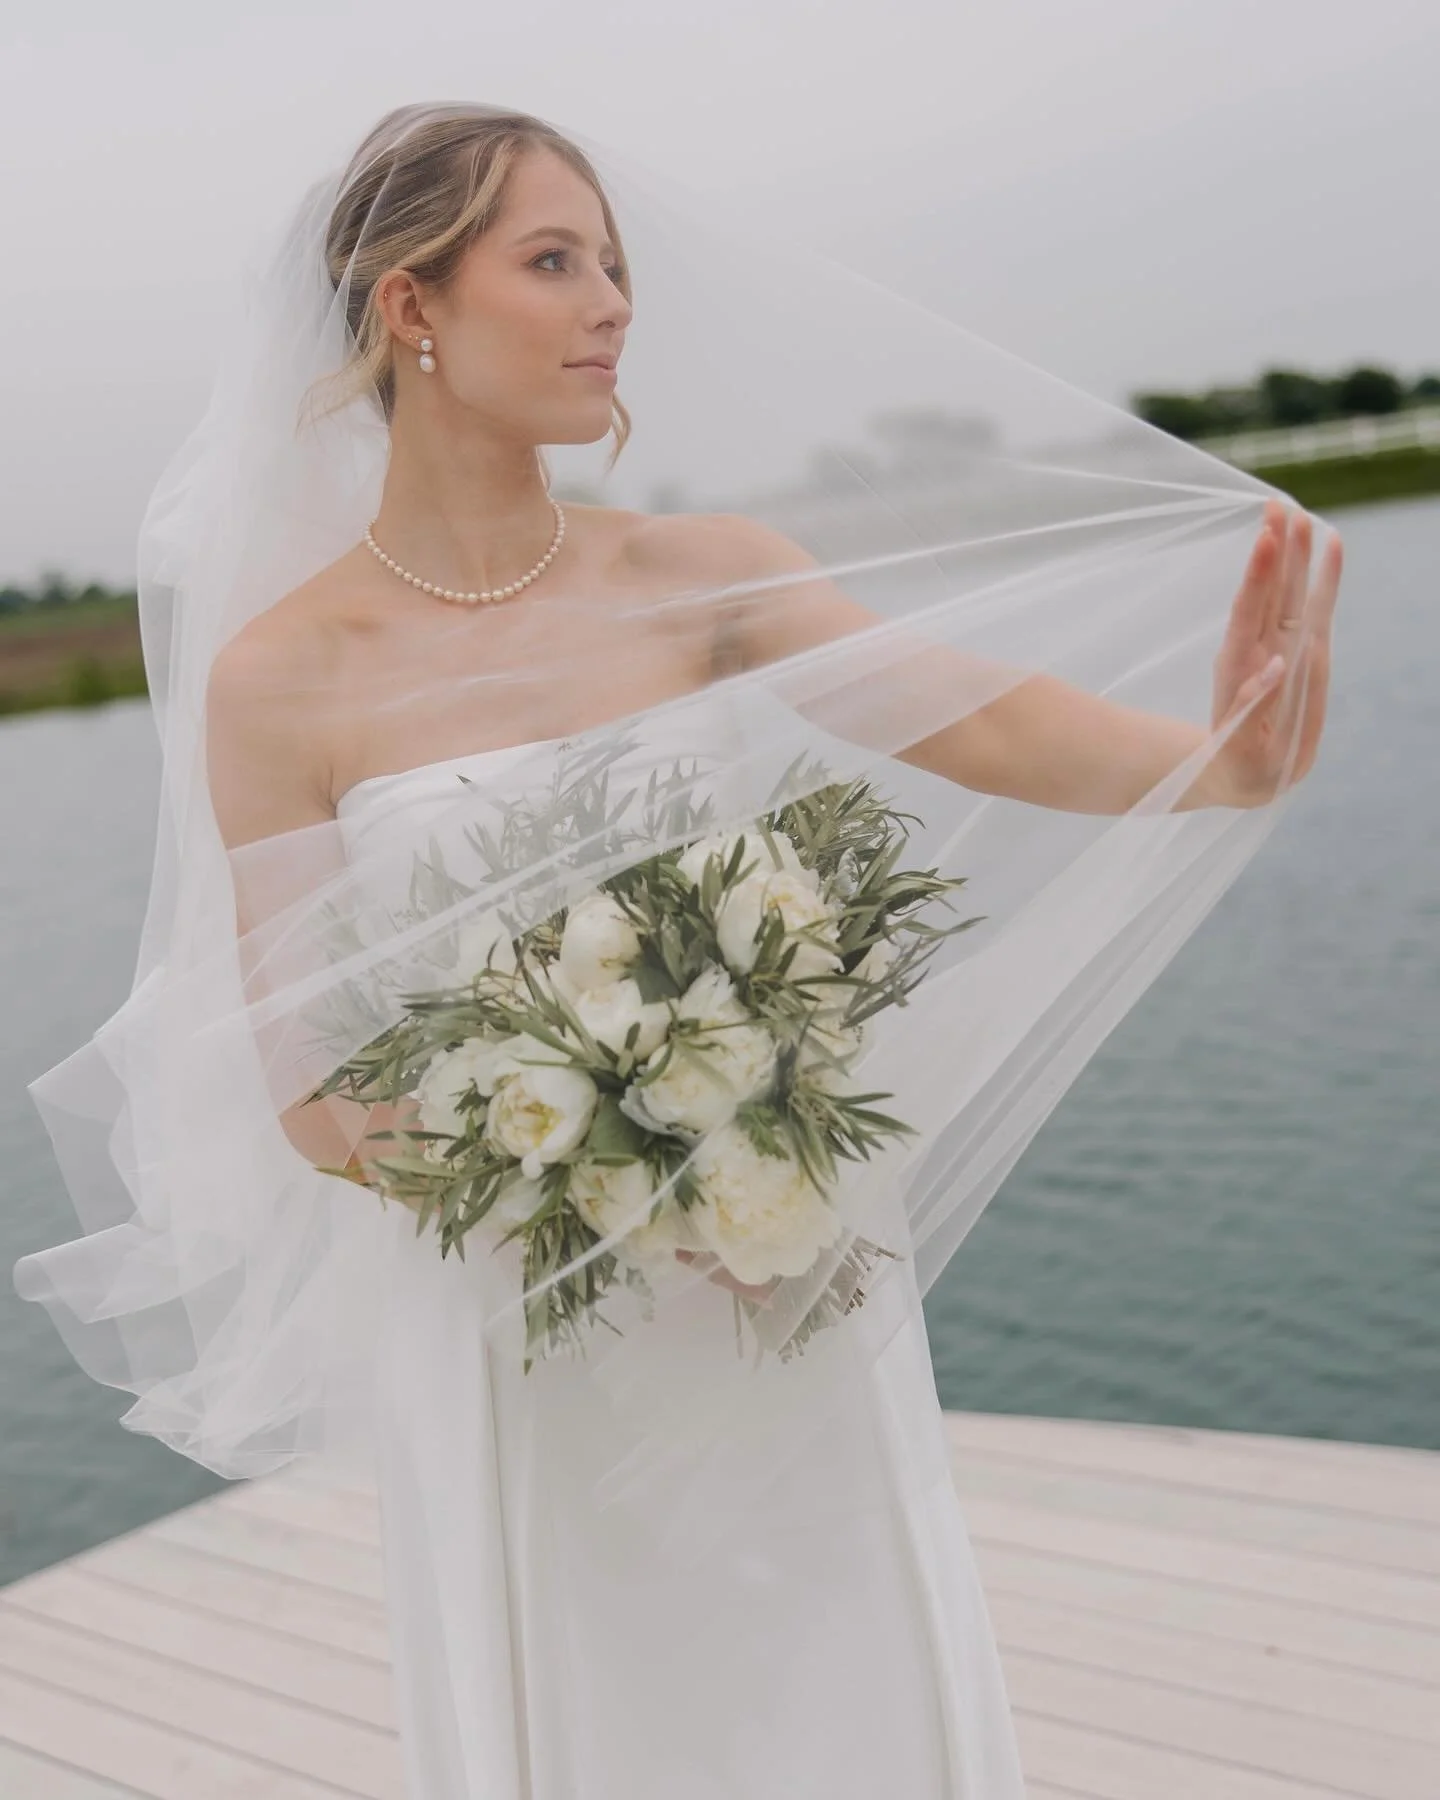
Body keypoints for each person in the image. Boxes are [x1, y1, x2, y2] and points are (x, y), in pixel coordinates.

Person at [18, 102, 1342, 1800]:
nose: (611, 303)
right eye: (553, 261)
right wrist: (615, 1184)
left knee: (843, 1676)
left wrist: (1225, 758)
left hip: (782, 1267)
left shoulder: (706, 575)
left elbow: (989, 727)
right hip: (526, 1314)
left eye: (618, 266)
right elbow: (311, 1081)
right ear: (412, 308)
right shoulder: (288, 674)